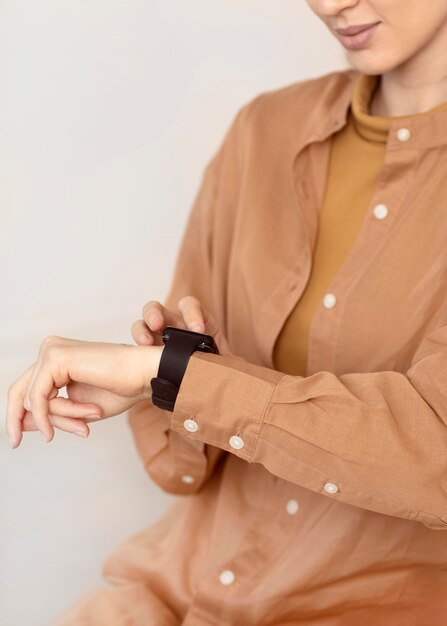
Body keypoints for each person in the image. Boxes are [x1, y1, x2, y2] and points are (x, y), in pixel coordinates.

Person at [6, 0, 447, 623]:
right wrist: (163, 378)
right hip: (164, 595)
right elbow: (180, 473)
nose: (327, 4)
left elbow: (435, 456)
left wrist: (196, 383)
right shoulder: (264, 130)